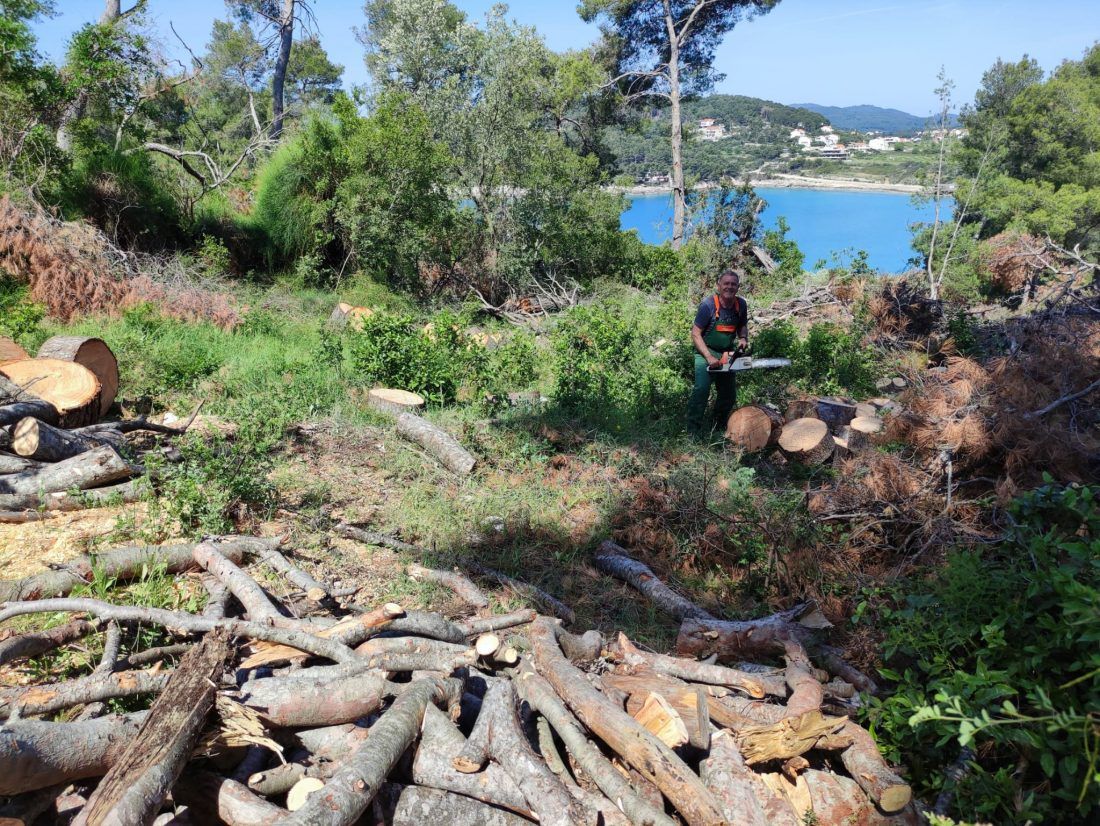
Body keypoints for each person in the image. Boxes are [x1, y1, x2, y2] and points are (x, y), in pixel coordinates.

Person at [687, 269, 749, 436]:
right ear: (719, 285)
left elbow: (742, 325)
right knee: (701, 389)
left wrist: (743, 339)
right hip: (705, 352)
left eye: (733, 284)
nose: (729, 287)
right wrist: (708, 357)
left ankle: (718, 426)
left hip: (727, 354)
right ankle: (693, 430)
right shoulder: (708, 305)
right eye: (726, 283)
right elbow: (695, 333)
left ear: (737, 287)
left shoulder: (740, 305)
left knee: (728, 394)